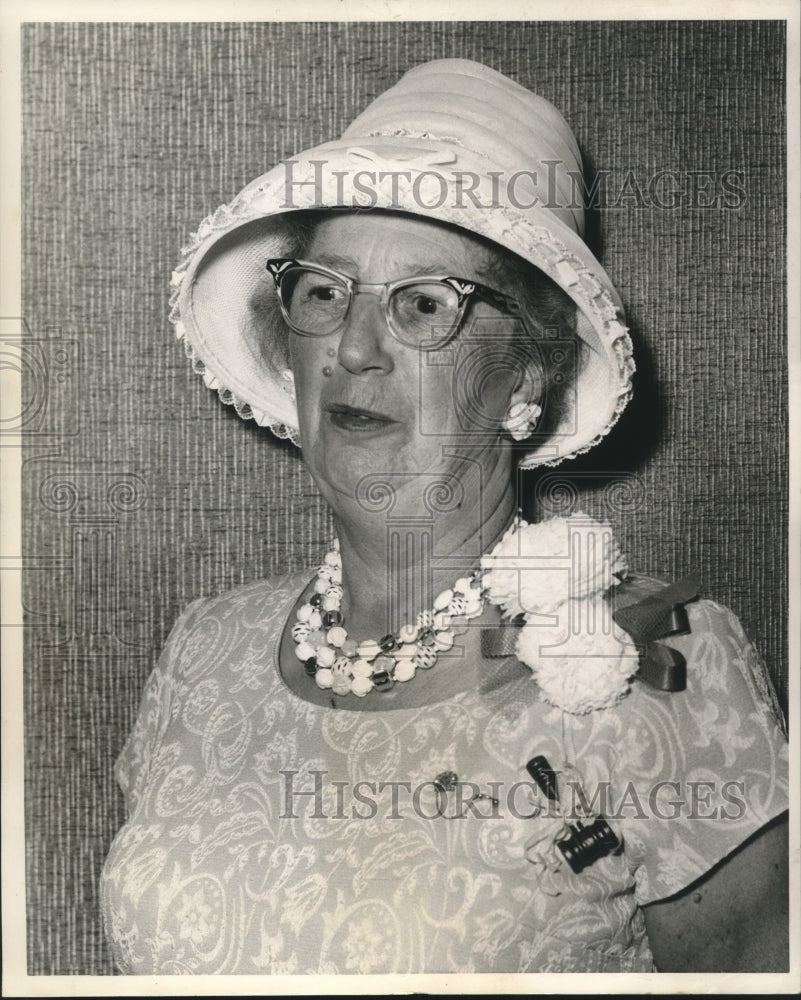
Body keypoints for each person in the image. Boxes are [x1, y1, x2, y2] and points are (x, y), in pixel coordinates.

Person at [100, 59, 788, 975]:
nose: (352, 348)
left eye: (424, 304)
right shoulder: (204, 648)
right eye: (322, 292)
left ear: (529, 373)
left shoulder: (665, 660)